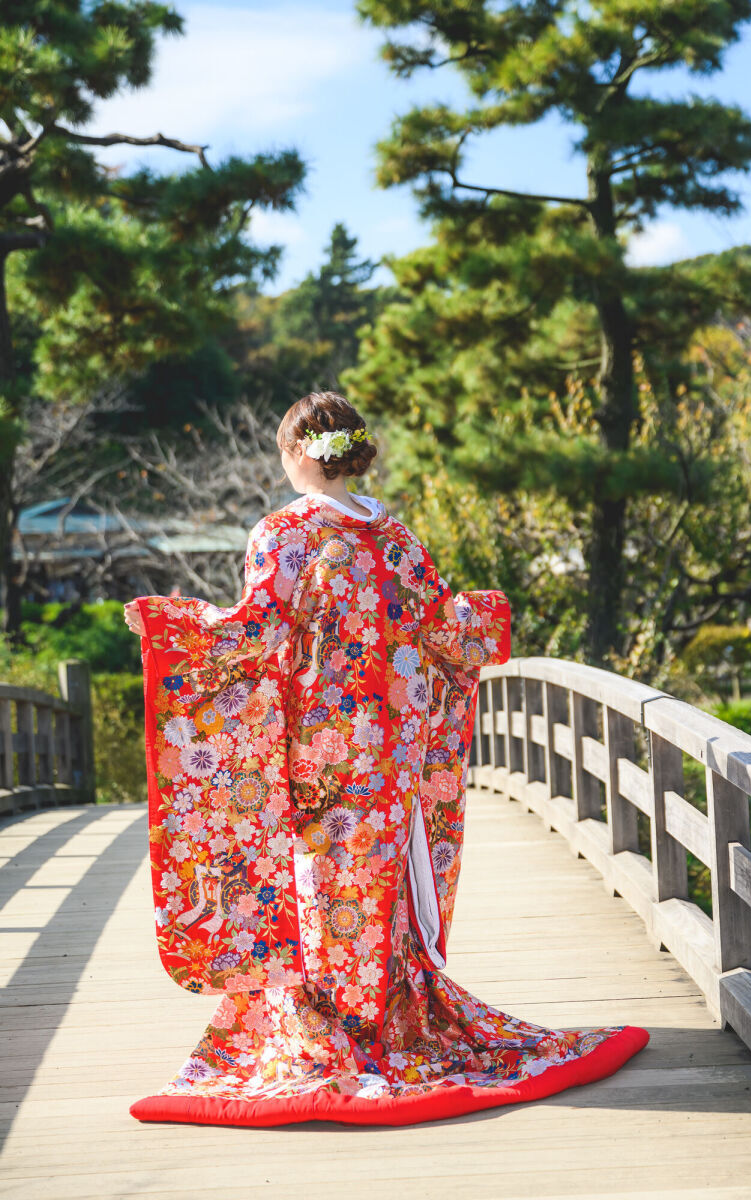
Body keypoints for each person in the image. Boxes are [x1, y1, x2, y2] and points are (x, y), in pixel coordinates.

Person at [123, 390, 648, 1127]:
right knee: (381, 879)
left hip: (319, 748)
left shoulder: (283, 534)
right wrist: (485, 618)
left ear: (303, 452)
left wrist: (174, 627)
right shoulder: (397, 537)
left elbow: (254, 631)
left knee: (319, 881)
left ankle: (336, 1024)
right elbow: (444, 626)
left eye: (284, 451)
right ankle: (392, 1013)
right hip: (393, 748)